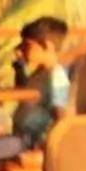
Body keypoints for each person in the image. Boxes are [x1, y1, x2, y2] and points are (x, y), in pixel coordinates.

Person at [9, 17, 72, 151]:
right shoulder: (39, 73)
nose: (22, 50)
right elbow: (24, 95)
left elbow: (60, 115)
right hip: (21, 137)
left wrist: (48, 144)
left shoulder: (56, 76)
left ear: (47, 46)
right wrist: (19, 70)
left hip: (32, 142)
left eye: (27, 45)